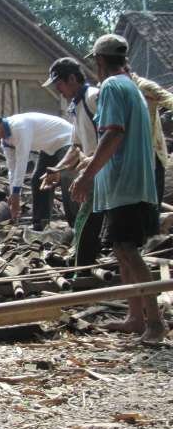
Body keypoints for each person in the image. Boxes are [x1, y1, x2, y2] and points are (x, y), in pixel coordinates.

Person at [70, 33, 168, 344]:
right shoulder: (132, 86)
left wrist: (87, 175)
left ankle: (154, 322)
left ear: (98, 61)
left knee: (128, 250)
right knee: (121, 249)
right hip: (131, 184)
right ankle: (135, 317)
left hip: (125, 184)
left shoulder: (112, 86)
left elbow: (112, 135)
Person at [40, 57, 103, 267]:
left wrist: (91, 165)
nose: (58, 90)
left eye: (59, 84)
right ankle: (86, 259)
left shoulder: (94, 97)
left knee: (85, 217)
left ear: (73, 79)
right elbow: (75, 147)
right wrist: (57, 169)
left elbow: (113, 134)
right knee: (88, 216)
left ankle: (82, 266)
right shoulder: (76, 107)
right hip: (94, 169)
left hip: (104, 167)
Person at [0, 111, 75, 230]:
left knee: (66, 178)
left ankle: (75, 224)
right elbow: (12, 169)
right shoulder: (6, 141)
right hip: (49, 147)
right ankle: (40, 226)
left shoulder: (19, 126)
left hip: (66, 139)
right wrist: (13, 195)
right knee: (38, 181)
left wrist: (17, 195)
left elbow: (21, 162)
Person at [128, 69, 173, 205]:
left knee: (152, 203)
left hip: (152, 152)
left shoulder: (145, 87)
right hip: (132, 156)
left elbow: (170, 100)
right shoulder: (115, 90)